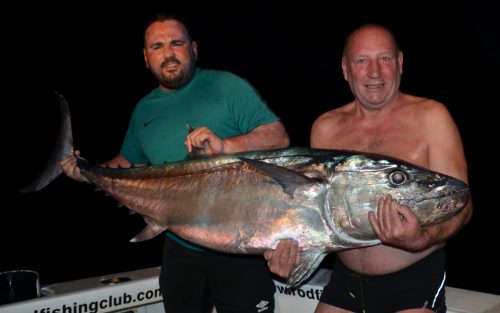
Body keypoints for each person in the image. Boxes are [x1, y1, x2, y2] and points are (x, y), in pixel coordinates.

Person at [61, 13, 290, 313]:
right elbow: (128, 166)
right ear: (145, 58)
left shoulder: (227, 87)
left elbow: (278, 136)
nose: (168, 53)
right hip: (179, 248)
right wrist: (87, 172)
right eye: (157, 46)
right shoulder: (143, 110)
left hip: (239, 248)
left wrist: (226, 145)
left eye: (176, 43)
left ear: (193, 49)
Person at [264, 24, 472, 313]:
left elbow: (462, 205)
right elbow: (315, 215)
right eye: (362, 61)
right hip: (345, 280)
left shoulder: (432, 117)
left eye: (384, 59)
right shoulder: (325, 127)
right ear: (346, 69)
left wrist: (420, 239)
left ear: (400, 63)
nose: (375, 72)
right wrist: (293, 249)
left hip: (413, 281)